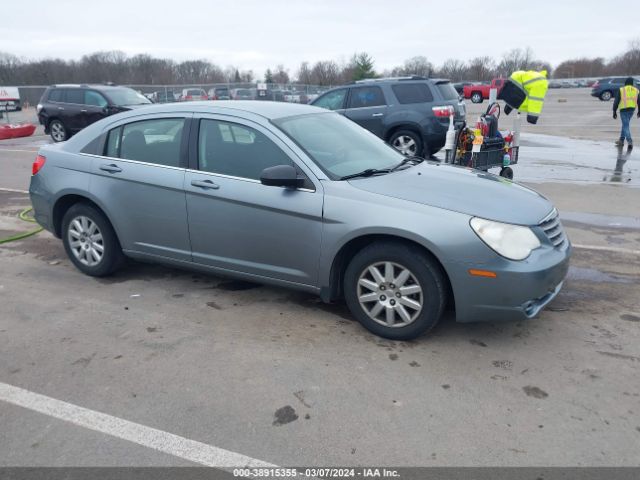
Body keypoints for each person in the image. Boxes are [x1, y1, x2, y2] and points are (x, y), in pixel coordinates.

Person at [613, 77, 639, 147]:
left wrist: (614, 111)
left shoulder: (622, 89)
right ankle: (621, 140)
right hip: (632, 110)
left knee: (625, 125)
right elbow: (639, 101)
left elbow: (616, 101)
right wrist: (639, 111)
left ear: (626, 82)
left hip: (624, 110)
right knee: (625, 125)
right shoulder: (636, 90)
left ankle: (629, 140)